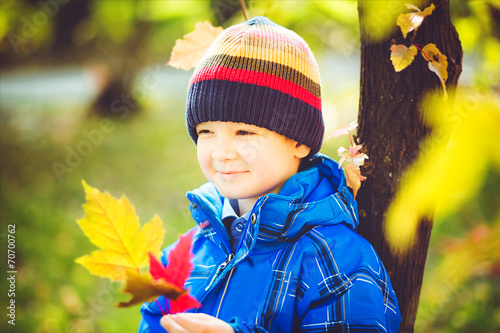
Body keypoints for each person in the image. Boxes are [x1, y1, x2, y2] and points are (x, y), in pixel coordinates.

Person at [138, 16, 401, 333]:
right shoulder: (186, 255)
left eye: (244, 132)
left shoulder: (337, 263)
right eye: (206, 131)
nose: (221, 152)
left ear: (300, 141)